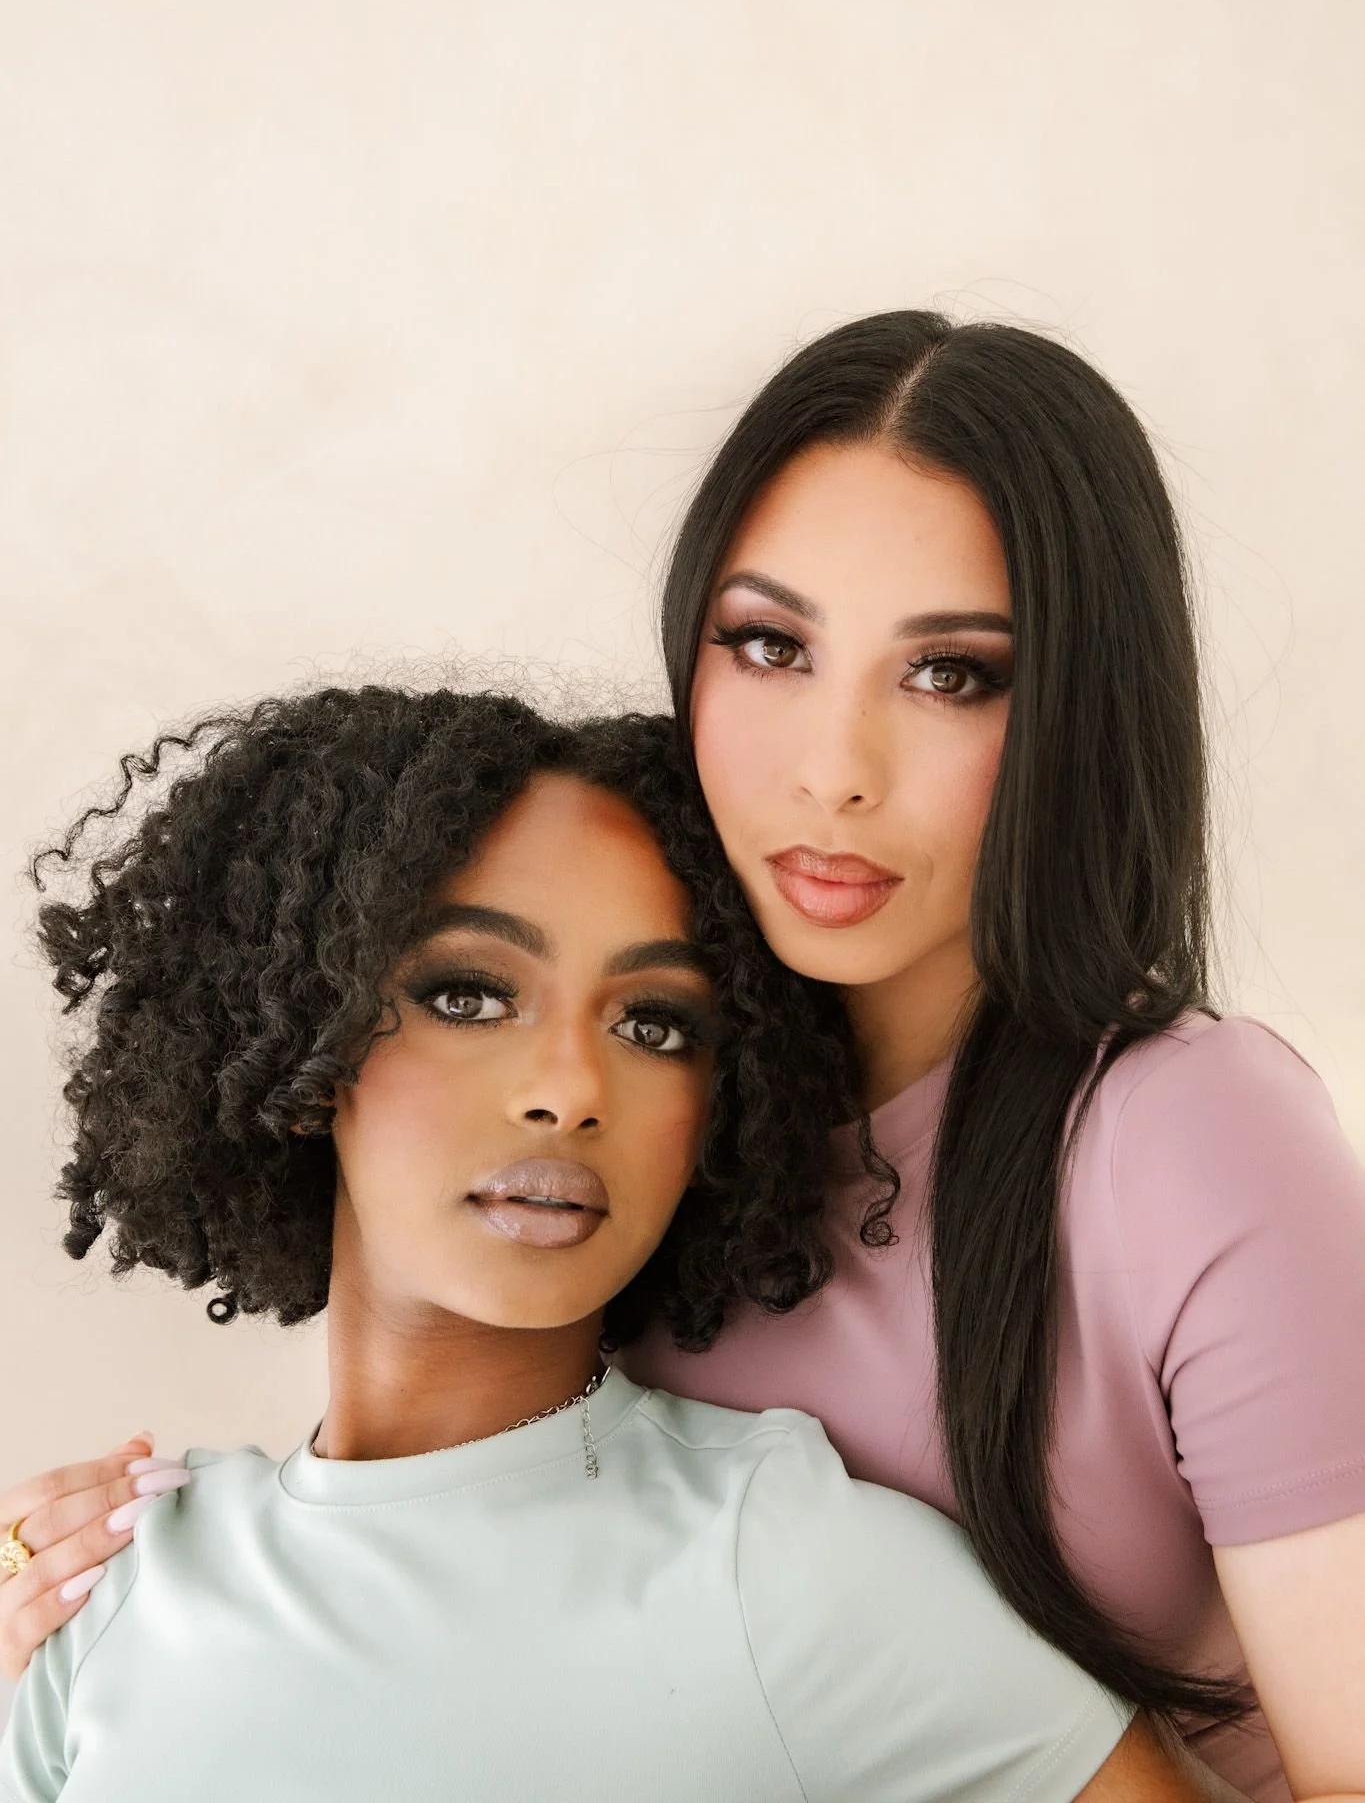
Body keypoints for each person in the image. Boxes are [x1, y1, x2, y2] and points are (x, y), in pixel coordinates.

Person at [7, 315, 1365, 1795]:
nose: (833, 767)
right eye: (770, 645)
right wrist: (110, 1589)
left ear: (1073, 716)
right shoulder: (665, 1153)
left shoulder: (1187, 1142)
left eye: (954, 673)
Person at [1, 684, 1187, 1803]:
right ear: (309, 1048)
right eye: (469, 994)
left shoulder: (782, 1563)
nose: (569, 1089)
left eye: (655, 1022)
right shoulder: (101, 1583)